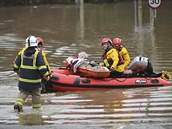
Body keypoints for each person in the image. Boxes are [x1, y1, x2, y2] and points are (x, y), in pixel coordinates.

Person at [13, 35, 50, 112]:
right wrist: (46, 75)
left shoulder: (22, 53)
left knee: (23, 92)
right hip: (35, 81)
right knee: (36, 94)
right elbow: (42, 67)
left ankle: (18, 104)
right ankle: (36, 110)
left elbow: (16, 66)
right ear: (36, 44)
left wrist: (17, 70)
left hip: (23, 80)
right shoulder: (37, 54)